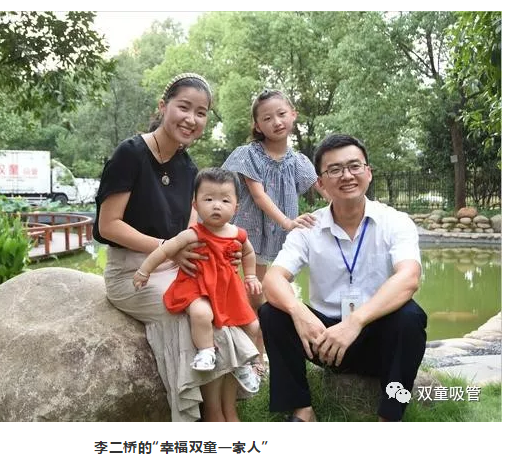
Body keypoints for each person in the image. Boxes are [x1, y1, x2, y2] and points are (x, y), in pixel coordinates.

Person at [93, 73, 259, 422]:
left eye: (201, 113)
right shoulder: (130, 154)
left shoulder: (187, 167)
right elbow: (108, 225)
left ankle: (228, 411)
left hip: (177, 266)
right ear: (163, 106)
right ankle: (211, 416)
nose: (191, 119)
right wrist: (168, 248)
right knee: (194, 313)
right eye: (184, 107)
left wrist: (219, 251)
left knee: (221, 305)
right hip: (133, 273)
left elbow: (194, 230)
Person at [259, 134, 427, 422]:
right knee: (272, 313)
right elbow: (273, 278)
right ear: (321, 183)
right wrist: (299, 312)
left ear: (368, 173)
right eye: (334, 169)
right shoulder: (308, 228)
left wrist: (355, 321)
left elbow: (409, 278)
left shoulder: (395, 221)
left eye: (354, 166)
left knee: (410, 317)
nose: (346, 175)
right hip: (323, 340)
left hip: (376, 337)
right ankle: (302, 410)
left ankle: (390, 416)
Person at [133, 167, 264, 393]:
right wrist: (144, 271)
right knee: (202, 314)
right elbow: (164, 251)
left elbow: (249, 253)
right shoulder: (192, 234)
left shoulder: (238, 234)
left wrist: (251, 275)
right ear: (195, 205)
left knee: (253, 325)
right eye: (208, 199)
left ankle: (245, 363)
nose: (216, 205)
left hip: (227, 290)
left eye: (225, 200)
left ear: (236, 207)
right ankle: (206, 351)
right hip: (197, 287)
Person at [222, 89, 329, 308]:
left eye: (282, 114)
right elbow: (259, 196)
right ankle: (253, 321)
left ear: (293, 114)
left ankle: (271, 320)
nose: (277, 122)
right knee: (253, 284)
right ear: (258, 126)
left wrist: (347, 206)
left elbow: (322, 188)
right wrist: (287, 222)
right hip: (254, 228)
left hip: (281, 231)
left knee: (281, 282)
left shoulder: (298, 161)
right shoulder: (250, 154)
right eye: (267, 118)